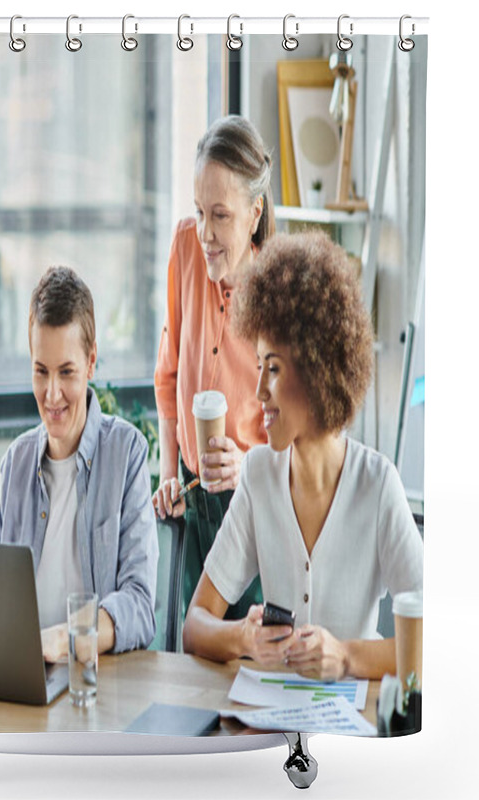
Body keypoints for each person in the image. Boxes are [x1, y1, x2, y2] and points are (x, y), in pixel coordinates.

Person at [181, 231, 424, 681]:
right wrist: (244, 638)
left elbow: (431, 643)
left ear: (316, 369)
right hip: (273, 727)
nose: (259, 392)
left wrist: (347, 656)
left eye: (272, 369)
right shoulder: (258, 475)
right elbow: (194, 627)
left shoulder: (377, 484)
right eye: (259, 368)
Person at [0, 266, 158, 663]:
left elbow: (139, 606)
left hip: (92, 686)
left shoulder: (126, 453)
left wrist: (64, 639)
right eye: (41, 372)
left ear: (91, 362)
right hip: (20, 682)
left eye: (67, 372)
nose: (52, 394)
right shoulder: (16, 461)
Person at [152, 115, 275, 621]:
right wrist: (167, 476)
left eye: (220, 215)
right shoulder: (185, 247)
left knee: (248, 658)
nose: (205, 231)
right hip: (194, 496)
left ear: (254, 212)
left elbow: (297, 437)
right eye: (199, 210)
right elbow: (169, 374)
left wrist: (247, 466)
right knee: (193, 654)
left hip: (252, 506)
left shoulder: (279, 289)